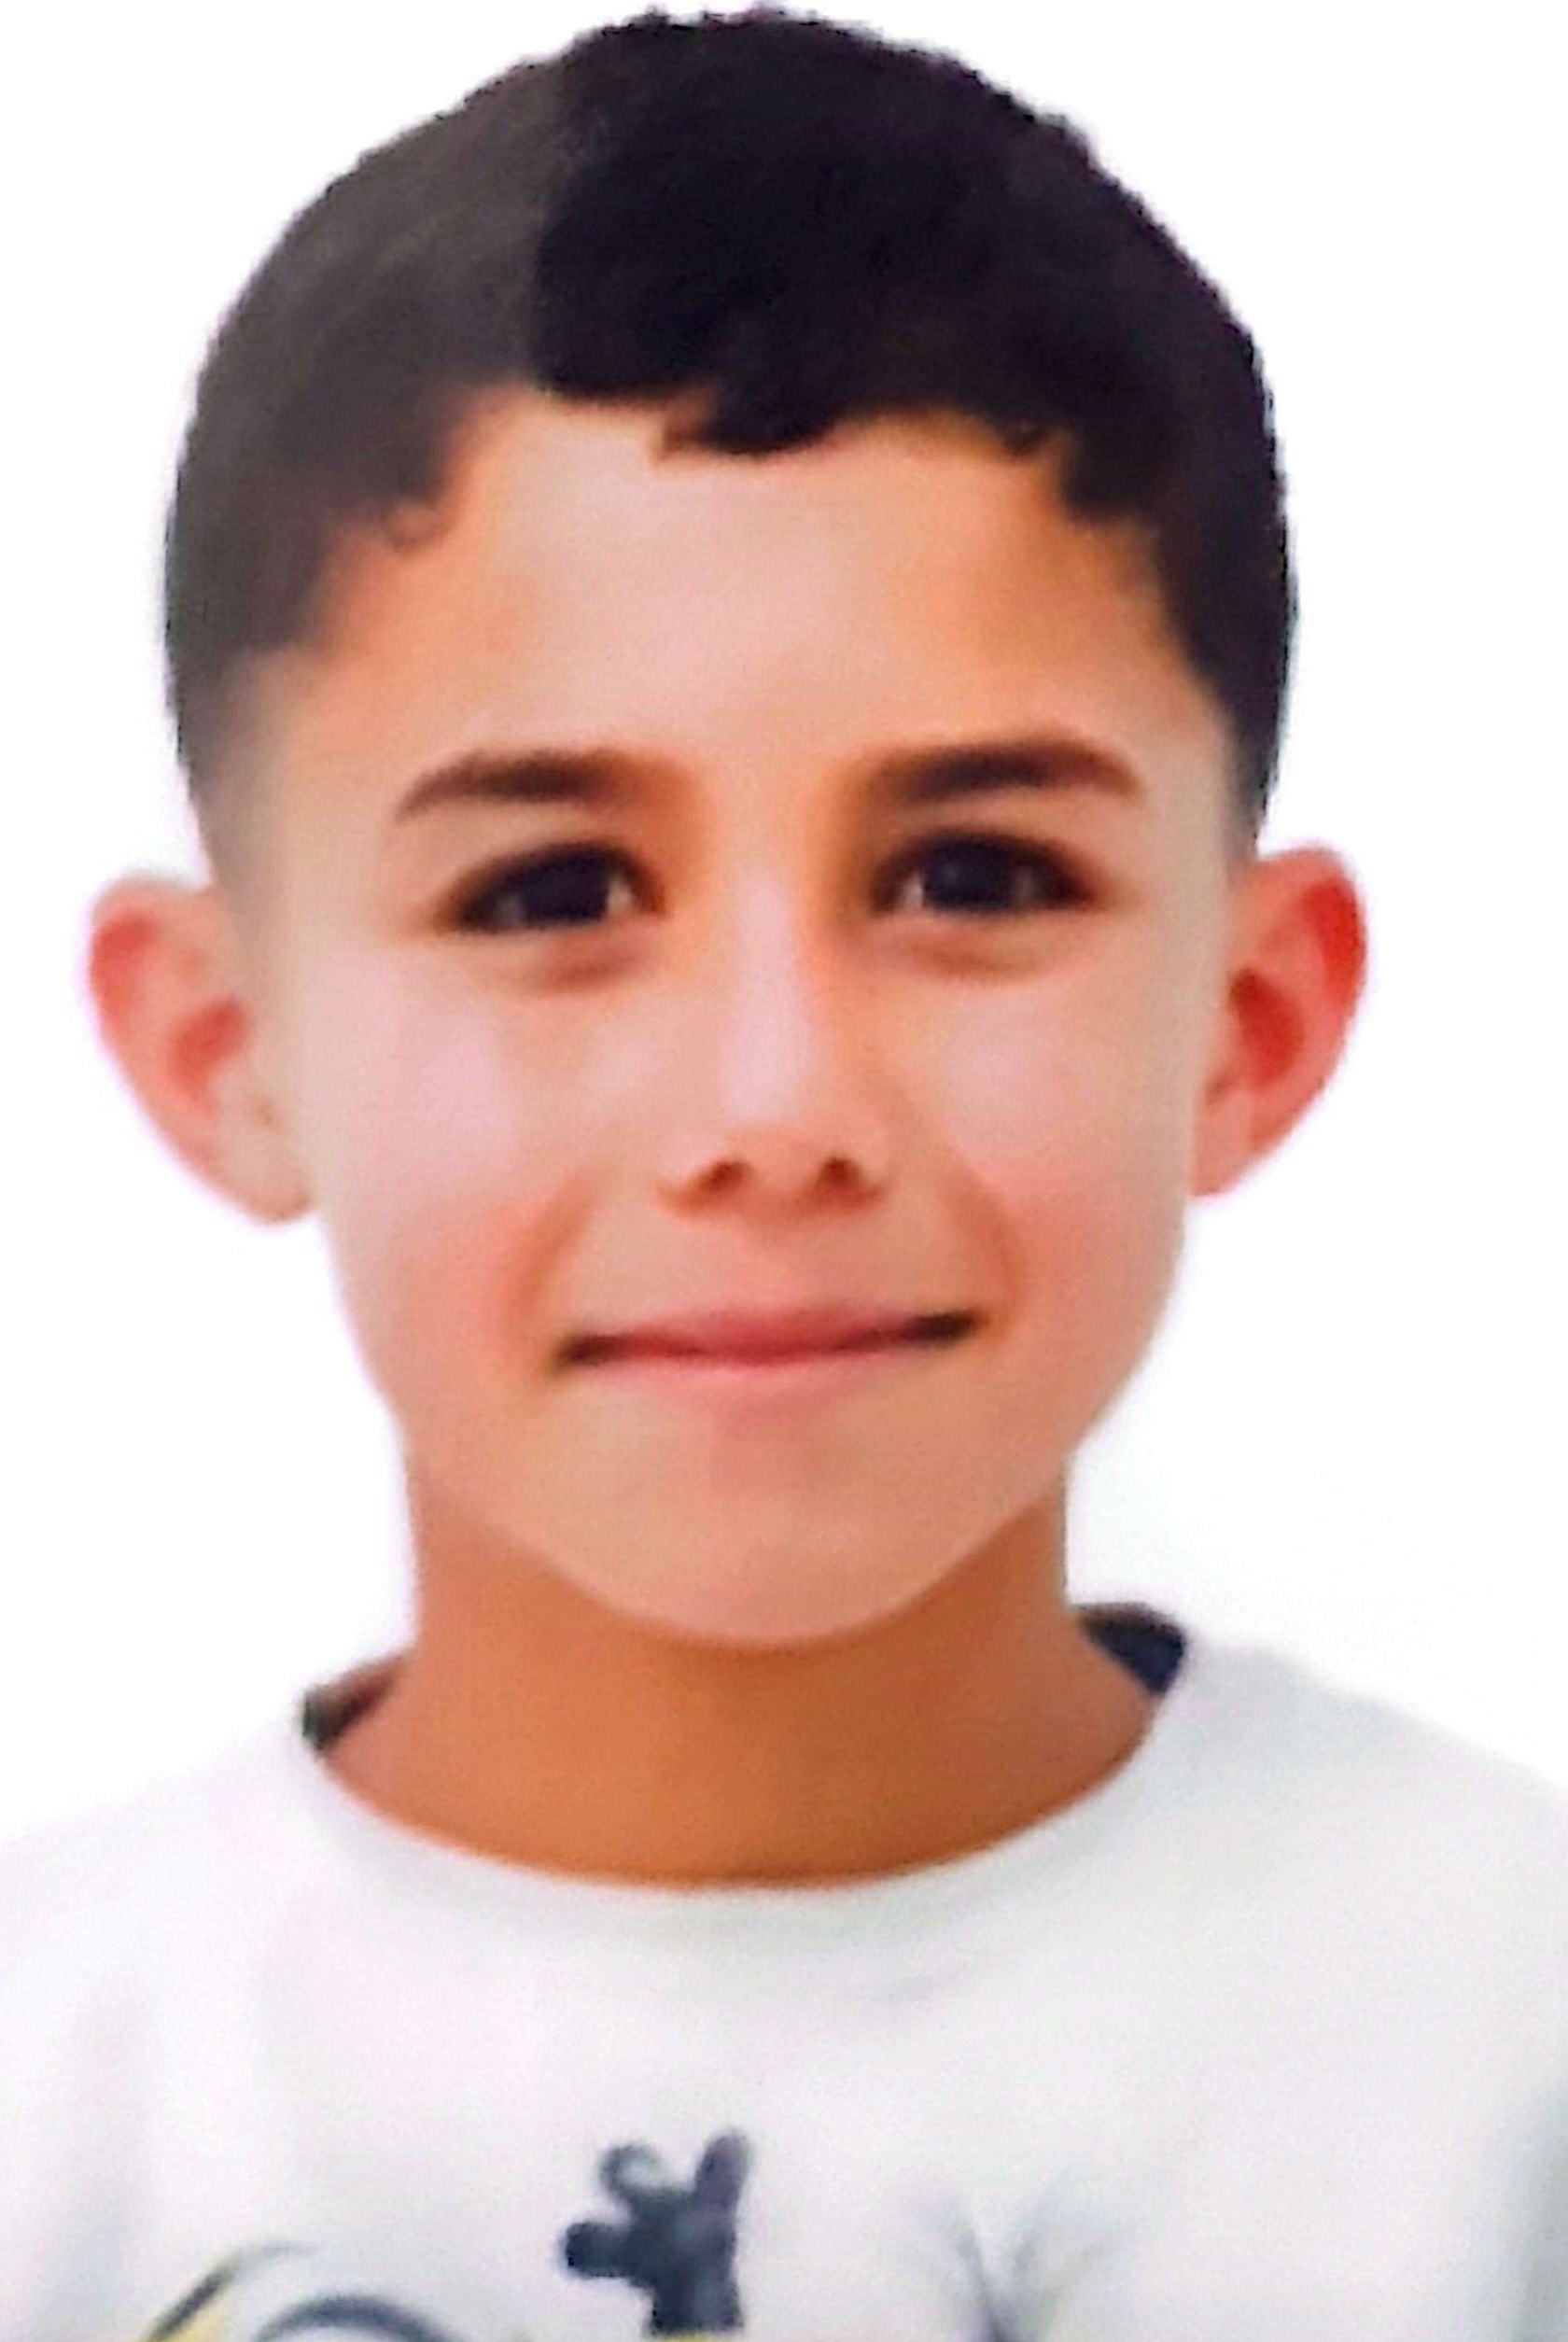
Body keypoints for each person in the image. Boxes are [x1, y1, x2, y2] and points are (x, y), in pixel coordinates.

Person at [3, 7, 1562, 2336]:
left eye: (972, 876)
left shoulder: (1505, 2038)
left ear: (1249, 1022)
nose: (771, 1101)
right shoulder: (52, 2099)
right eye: (549, 893)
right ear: (227, 1052)